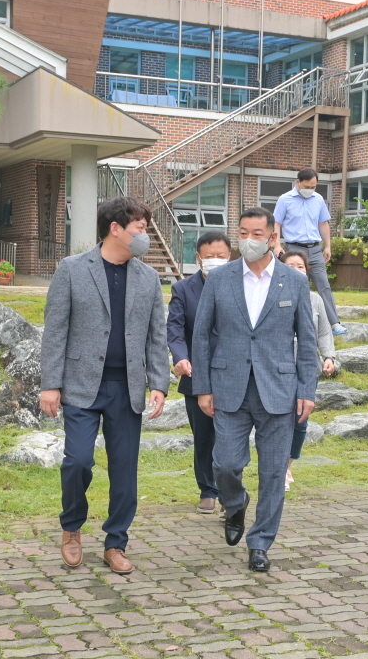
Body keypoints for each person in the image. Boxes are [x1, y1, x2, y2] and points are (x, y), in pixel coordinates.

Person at [39, 196, 169, 575]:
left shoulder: (148, 278)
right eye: (140, 228)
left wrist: (158, 383)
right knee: (78, 460)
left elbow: (156, 336)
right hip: (81, 385)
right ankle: (72, 527)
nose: (145, 236)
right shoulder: (73, 269)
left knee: (124, 470)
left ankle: (116, 542)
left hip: (126, 388)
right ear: (116, 228)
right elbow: (55, 330)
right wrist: (51, 384)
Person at [192, 207, 318, 572]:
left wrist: (307, 390)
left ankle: (260, 542)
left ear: (273, 237)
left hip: (279, 389)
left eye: (257, 234)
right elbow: (201, 336)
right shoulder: (220, 278)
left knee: (274, 471)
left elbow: (306, 341)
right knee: (225, 464)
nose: (249, 240)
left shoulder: (293, 281)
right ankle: (235, 504)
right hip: (228, 386)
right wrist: (203, 387)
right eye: (243, 233)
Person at [167, 231, 231, 515]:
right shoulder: (183, 289)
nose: (215, 260)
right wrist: (180, 357)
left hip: (233, 372)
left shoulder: (241, 285)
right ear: (198, 258)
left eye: (221, 256)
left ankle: (230, 492)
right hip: (197, 372)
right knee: (204, 436)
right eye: (209, 256)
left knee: (231, 436)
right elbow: (175, 329)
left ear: (230, 257)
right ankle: (208, 489)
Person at [279, 250, 337, 491]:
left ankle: (287, 465)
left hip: (307, 368)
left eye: (300, 266)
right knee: (278, 418)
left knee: (301, 420)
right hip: (277, 368)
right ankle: (276, 466)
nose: (296, 270)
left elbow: (323, 332)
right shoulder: (272, 295)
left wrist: (329, 356)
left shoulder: (315, 300)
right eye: (290, 266)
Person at [272, 168, 347, 336]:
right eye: (307, 186)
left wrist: (328, 246)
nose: (310, 189)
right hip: (294, 249)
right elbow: (276, 223)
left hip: (315, 249)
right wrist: (277, 245)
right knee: (294, 286)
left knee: (324, 285)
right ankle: (293, 323)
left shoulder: (318, 199)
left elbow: (323, 224)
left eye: (313, 187)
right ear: (298, 183)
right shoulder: (285, 199)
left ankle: (334, 323)